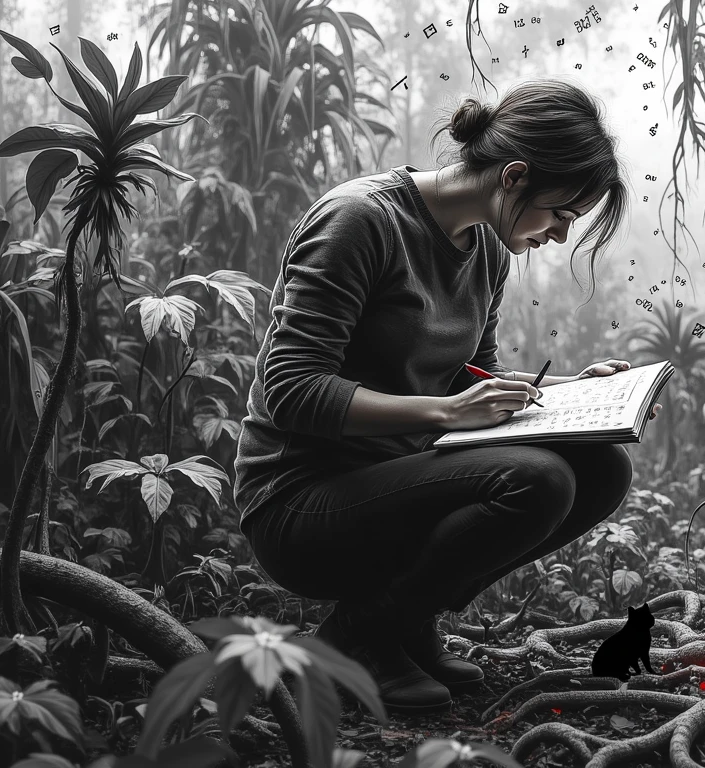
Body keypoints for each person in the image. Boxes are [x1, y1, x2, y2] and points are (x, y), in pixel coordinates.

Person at [233, 78, 661, 712]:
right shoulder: (362, 221)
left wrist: (576, 390)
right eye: (561, 215)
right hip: (302, 501)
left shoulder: (488, 249)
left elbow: (471, 375)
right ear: (513, 177)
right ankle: (362, 637)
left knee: (602, 470)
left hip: (400, 479)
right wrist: (446, 412)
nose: (560, 237)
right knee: (540, 480)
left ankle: (401, 622)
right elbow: (294, 389)